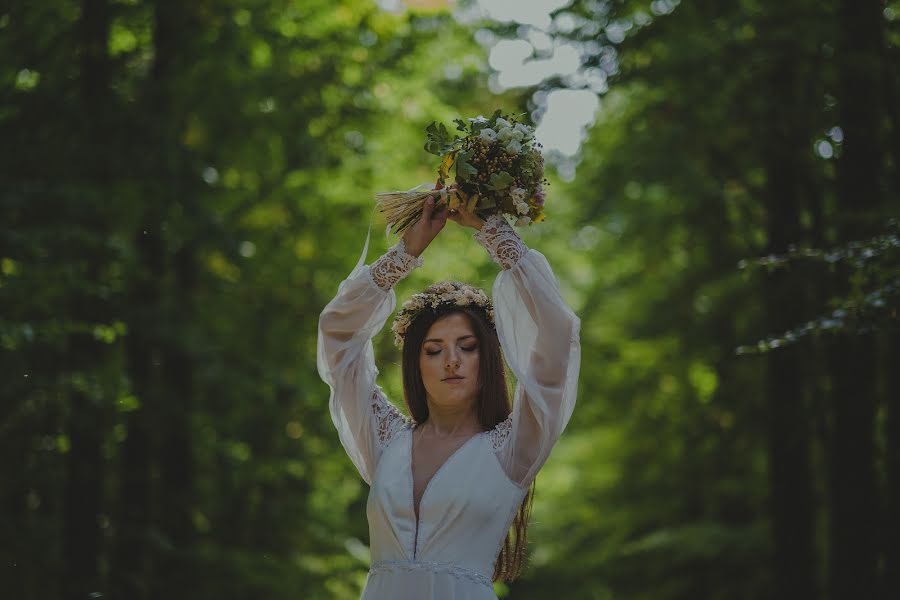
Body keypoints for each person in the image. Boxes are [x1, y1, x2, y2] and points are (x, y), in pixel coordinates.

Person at [317, 190, 581, 600]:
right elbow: (337, 331)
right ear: (415, 365)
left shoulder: (514, 446)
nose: (451, 361)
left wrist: (495, 233)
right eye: (434, 350)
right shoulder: (384, 439)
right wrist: (405, 252)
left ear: (487, 360)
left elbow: (557, 333)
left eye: (467, 347)